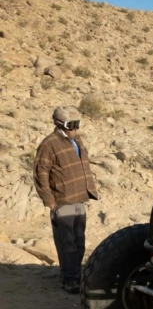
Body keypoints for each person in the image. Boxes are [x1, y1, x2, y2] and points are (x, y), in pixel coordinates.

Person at [33, 106, 98, 294]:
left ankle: (74, 274)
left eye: (78, 124)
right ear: (60, 124)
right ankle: (70, 279)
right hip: (62, 201)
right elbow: (40, 173)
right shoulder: (49, 144)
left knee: (79, 241)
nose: (76, 129)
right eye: (72, 125)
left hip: (80, 198)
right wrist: (50, 201)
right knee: (66, 242)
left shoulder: (77, 139)